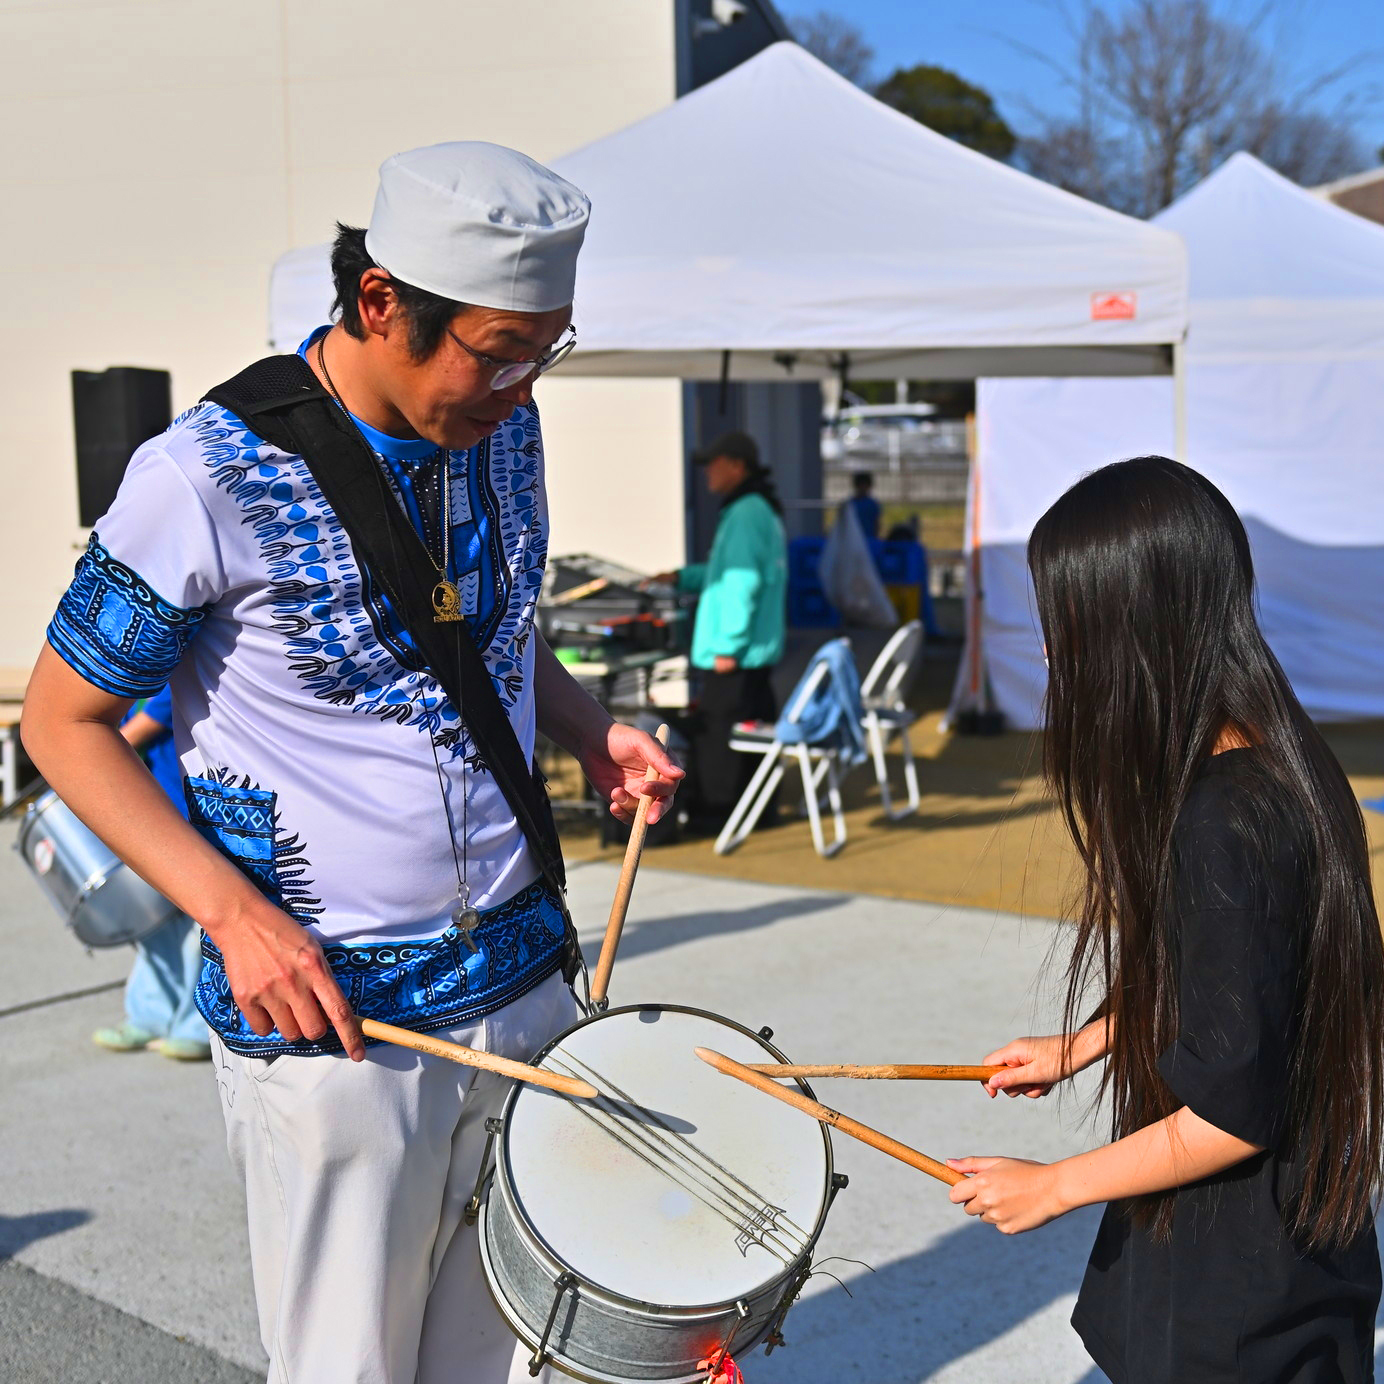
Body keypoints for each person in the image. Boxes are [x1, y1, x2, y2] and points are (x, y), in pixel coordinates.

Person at [22, 141, 681, 1384]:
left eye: (549, 347)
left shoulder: (504, 430)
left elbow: (491, 628)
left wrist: (592, 730)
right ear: (381, 302)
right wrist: (231, 917)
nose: (523, 382)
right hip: (336, 1019)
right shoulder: (201, 476)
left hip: (529, 974)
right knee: (347, 1368)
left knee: (516, 1349)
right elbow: (62, 722)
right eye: (498, 349)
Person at [946, 457, 1383, 1382]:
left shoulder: (1220, 820)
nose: (1055, 656)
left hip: (1239, 1290)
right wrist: (1090, 1040)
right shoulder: (1284, 758)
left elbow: (1234, 1113)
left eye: (1066, 626)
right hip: (1274, 1249)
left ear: (1133, 630)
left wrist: (1055, 1186)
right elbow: (1237, 977)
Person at [661, 431, 786, 829]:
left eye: (714, 463)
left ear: (736, 465)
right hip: (754, 653)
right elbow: (725, 574)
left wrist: (728, 645)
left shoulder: (746, 512)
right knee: (751, 735)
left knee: (720, 737)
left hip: (735, 654)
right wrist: (682, 577)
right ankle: (758, 812)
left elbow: (741, 584)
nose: (708, 473)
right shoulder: (756, 508)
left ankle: (719, 813)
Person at [91, 684, 211, 1060]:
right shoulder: (134, 686)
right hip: (154, 822)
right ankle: (150, 1017)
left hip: (196, 820)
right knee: (154, 929)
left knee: (199, 934)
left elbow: (126, 737)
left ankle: (199, 1027)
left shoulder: (176, 681)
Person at [847, 470, 880, 539]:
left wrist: (875, 536)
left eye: (865, 485)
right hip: (853, 538)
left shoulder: (872, 504)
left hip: (869, 537)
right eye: (861, 485)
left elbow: (876, 523)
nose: (863, 488)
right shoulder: (850, 504)